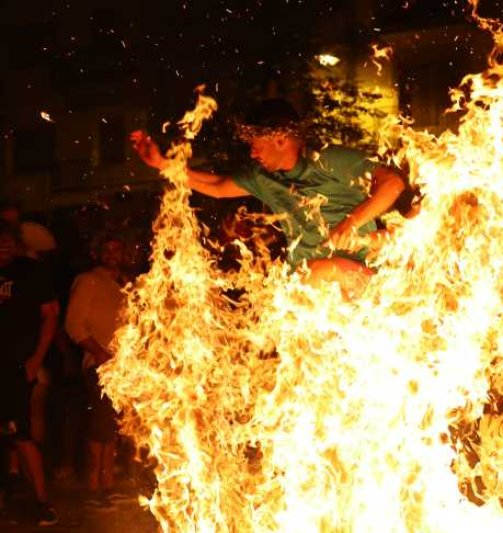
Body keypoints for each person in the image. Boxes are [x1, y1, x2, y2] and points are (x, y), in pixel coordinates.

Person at [130, 98, 406, 283]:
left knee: (322, 269)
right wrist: (163, 164)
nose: (252, 152)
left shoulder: (329, 160)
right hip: (307, 286)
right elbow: (216, 187)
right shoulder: (263, 178)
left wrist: (352, 222)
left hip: (355, 276)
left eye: (256, 143)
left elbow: (393, 183)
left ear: (281, 139)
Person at [0, 220, 59, 526]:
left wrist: (36, 358)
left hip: (16, 367)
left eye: (8, 240)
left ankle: (42, 502)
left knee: (22, 435)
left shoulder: (31, 271)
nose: (4, 246)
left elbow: (50, 315)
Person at [65, 236, 127, 509]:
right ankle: (93, 488)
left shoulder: (123, 285)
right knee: (99, 428)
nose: (113, 253)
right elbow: (73, 324)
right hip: (99, 367)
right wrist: (100, 353)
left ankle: (108, 484)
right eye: (107, 248)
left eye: (117, 249)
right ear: (98, 252)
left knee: (111, 429)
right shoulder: (89, 280)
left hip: (124, 369)